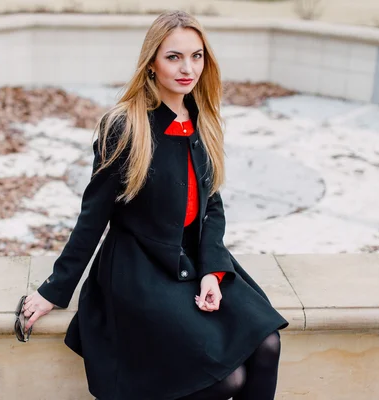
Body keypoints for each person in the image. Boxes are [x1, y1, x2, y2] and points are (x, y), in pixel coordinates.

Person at [20, 10, 289, 400]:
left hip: (196, 259)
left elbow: (212, 206)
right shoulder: (125, 126)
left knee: (267, 346)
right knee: (225, 381)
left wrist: (213, 272)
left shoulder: (203, 118)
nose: (187, 68)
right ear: (152, 63)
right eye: (174, 57)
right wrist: (54, 290)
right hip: (139, 270)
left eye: (196, 56)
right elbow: (93, 216)